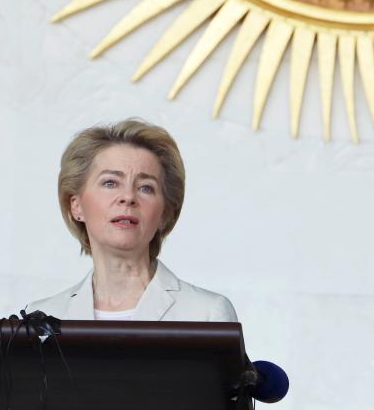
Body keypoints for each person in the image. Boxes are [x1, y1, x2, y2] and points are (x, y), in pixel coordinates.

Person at [26, 118, 237, 322]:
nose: (128, 197)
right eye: (110, 183)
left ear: (164, 214)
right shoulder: (40, 316)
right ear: (76, 206)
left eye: (146, 187)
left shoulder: (207, 313)